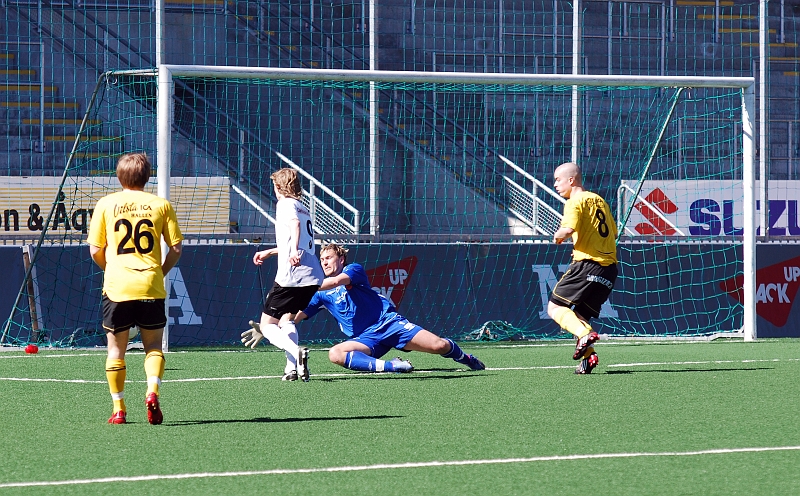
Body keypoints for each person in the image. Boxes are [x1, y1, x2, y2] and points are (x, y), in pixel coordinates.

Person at [87, 152, 183, 424]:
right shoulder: (160, 204)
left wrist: (112, 269)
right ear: (147, 176)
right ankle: (152, 392)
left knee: (115, 351)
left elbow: (95, 249)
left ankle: (119, 409)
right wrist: (159, 272)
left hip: (117, 286)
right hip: (151, 285)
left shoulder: (106, 204)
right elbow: (176, 249)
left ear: (119, 177)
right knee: (153, 346)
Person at [293, 243, 485, 373]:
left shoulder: (353, 270)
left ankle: (465, 358)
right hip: (366, 338)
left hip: (389, 324)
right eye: (322, 259)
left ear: (341, 259)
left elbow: (335, 282)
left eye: (328, 257)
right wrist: (277, 323)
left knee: (439, 345)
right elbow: (297, 315)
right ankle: (393, 366)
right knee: (335, 354)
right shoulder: (320, 293)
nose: (324, 262)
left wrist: (306, 284)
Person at [240, 168, 324, 382]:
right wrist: (272, 251)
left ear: (279, 187)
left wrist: (293, 251)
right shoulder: (302, 207)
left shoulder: (285, 204)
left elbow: (294, 226)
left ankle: (296, 353)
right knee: (287, 320)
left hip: (292, 275)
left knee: (267, 326)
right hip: (312, 276)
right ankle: (291, 369)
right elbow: (297, 237)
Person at [547, 162, 618, 375]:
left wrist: (557, 236)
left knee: (555, 308)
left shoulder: (574, 201)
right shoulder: (599, 200)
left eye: (558, 180)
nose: (555, 185)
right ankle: (589, 358)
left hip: (587, 265)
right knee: (580, 316)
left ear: (571, 180)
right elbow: (612, 234)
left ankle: (585, 335)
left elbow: (568, 229)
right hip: (609, 270)